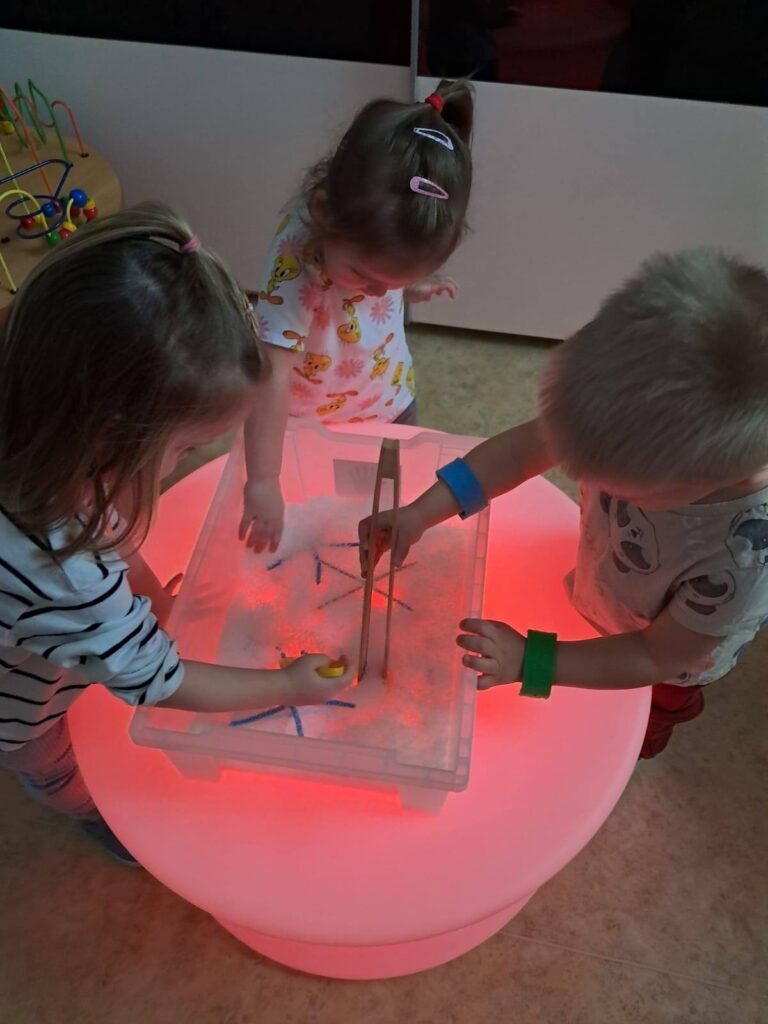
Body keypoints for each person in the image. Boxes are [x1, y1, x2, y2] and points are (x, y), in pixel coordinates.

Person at [0, 204, 352, 864]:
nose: (182, 463)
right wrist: (289, 687)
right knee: (48, 760)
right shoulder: (68, 579)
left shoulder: (39, 437)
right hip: (18, 708)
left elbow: (105, 532)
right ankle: (87, 808)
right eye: (185, 449)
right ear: (109, 442)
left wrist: (154, 598)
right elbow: (159, 682)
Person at [360, 249, 768, 758]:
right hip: (613, 580)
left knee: (649, 713)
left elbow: (655, 655)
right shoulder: (622, 424)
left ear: (715, 477)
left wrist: (531, 661)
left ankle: (646, 738)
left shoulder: (742, 560)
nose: (582, 479)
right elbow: (518, 454)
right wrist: (422, 512)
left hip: (671, 659)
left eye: (617, 489)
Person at [240, 81, 474, 554]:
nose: (378, 292)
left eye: (394, 281)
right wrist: (262, 480)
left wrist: (406, 286)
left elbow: (380, 277)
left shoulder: (373, 236)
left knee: (369, 502)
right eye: (366, 277)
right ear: (323, 214)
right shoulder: (296, 263)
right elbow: (271, 374)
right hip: (312, 421)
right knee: (322, 499)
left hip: (388, 400)